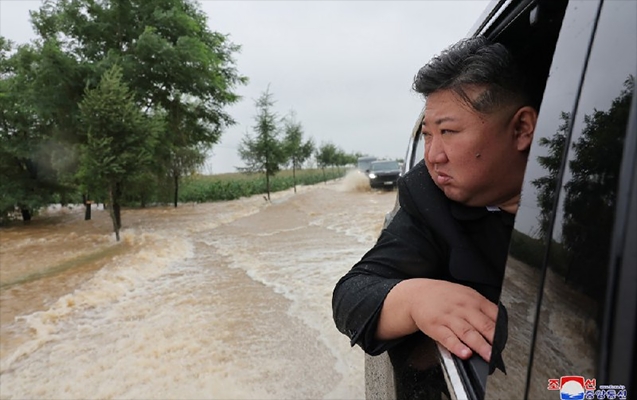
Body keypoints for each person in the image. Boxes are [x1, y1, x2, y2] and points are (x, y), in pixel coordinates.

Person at [332, 36, 538, 367]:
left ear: (521, 130)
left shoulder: (595, 199)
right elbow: (351, 297)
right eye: (427, 134)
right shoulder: (428, 198)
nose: (432, 156)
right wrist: (414, 300)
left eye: (449, 132)